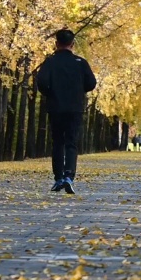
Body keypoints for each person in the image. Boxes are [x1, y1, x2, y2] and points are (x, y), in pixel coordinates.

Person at [36, 28, 97, 194]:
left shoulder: (50, 62)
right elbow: (91, 83)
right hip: (75, 107)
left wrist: (51, 93)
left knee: (57, 142)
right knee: (71, 142)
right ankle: (69, 176)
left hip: (56, 106)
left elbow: (40, 81)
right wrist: (79, 90)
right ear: (73, 44)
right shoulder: (81, 62)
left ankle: (58, 178)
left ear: (56, 44)